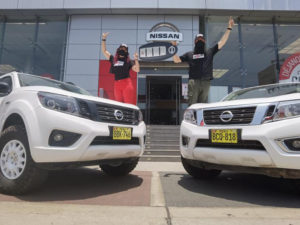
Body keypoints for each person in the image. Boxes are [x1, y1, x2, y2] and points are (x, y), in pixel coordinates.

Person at [173, 17, 234, 105]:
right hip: (194, 82)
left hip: (206, 82)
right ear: (195, 42)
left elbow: (222, 42)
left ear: (204, 41)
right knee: (192, 104)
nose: (200, 41)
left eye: (201, 39)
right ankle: (191, 119)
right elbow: (176, 60)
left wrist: (229, 28)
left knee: (202, 105)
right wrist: (173, 49)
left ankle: (200, 119)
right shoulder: (190, 54)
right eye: (198, 40)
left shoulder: (209, 52)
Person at [101, 32, 140, 105]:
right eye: (121, 48)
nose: (122, 49)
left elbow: (137, 69)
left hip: (126, 84)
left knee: (128, 105)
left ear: (126, 51)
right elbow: (104, 51)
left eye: (124, 49)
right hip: (117, 84)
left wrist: (136, 59)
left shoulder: (128, 61)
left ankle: (129, 116)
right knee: (119, 105)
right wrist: (104, 38)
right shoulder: (113, 59)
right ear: (118, 49)